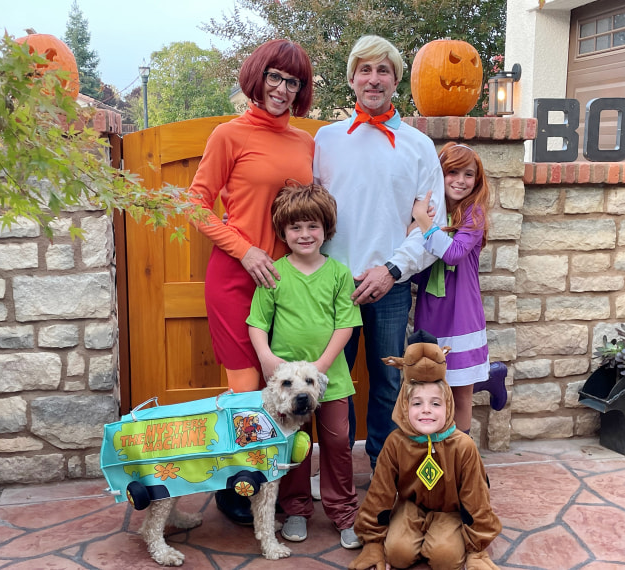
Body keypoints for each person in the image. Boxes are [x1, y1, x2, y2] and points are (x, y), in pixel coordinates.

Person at [188, 39, 314, 525]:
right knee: (245, 389)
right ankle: (237, 488)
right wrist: (245, 249)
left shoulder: (307, 143)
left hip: (287, 284)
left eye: (294, 81)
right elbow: (194, 204)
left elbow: (312, 213)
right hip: (236, 278)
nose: (283, 89)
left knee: (285, 384)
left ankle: (276, 485)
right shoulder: (228, 135)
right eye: (275, 77)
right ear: (258, 78)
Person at [313, 35, 447, 470]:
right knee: (332, 385)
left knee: (390, 381)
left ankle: (385, 474)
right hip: (334, 285)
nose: (374, 79)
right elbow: (311, 213)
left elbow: (432, 225)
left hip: (390, 285)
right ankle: (336, 478)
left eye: (383, 71)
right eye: (365, 70)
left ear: (396, 81)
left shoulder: (418, 146)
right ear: (352, 79)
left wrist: (391, 270)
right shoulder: (326, 141)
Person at [246, 182, 363, 550]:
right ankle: (295, 509)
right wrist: (266, 358)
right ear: (283, 232)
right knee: (292, 445)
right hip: (285, 386)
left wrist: (321, 370)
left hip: (333, 380)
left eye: (312, 226)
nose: (304, 234)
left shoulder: (339, 274)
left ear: (325, 229)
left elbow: (346, 323)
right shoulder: (274, 273)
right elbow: (257, 323)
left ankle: (344, 512)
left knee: (337, 442)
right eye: (295, 228)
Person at [348, 331, 501, 570]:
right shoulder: (395, 442)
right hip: (410, 507)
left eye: (436, 403)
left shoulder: (463, 446)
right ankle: (408, 538)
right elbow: (380, 493)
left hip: (449, 511)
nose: (426, 410)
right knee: (397, 555)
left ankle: (449, 541)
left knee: (445, 559)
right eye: (417, 403)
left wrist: (477, 549)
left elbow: (477, 499)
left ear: (448, 404)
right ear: (404, 406)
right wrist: (373, 543)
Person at [410, 143, 492, 434]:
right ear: (439, 175)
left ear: (477, 180)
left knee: (461, 392)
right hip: (432, 311)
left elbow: (454, 253)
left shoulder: (474, 214)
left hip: (462, 313)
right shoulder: (433, 212)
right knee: (431, 392)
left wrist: (424, 224)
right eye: (452, 172)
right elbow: (417, 270)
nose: (460, 180)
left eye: (468, 174)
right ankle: (436, 453)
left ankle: (463, 458)